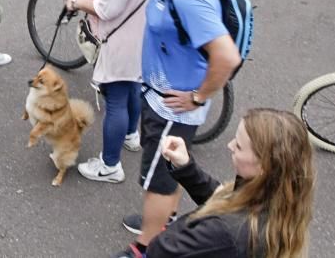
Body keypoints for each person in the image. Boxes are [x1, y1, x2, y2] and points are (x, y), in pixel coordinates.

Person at [115, 0, 242, 258]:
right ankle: (163, 218)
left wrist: (198, 97)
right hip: (164, 98)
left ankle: (144, 246)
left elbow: (226, 57)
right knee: (167, 169)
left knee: (157, 179)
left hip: (170, 106)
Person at [135, 108, 315, 258]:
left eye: (239, 146)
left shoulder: (224, 231)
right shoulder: (280, 197)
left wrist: (180, 225)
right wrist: (186, 167)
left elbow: (160, 251)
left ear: (263, 166)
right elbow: (228, 198)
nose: (230, 145)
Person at [69, 0, 159, 184]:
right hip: (139, 32)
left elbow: (107, 8)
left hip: (120, 38)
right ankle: (131, 135)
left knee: (115, 96)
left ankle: (110, 165)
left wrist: (76, 2)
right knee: (132, 85)